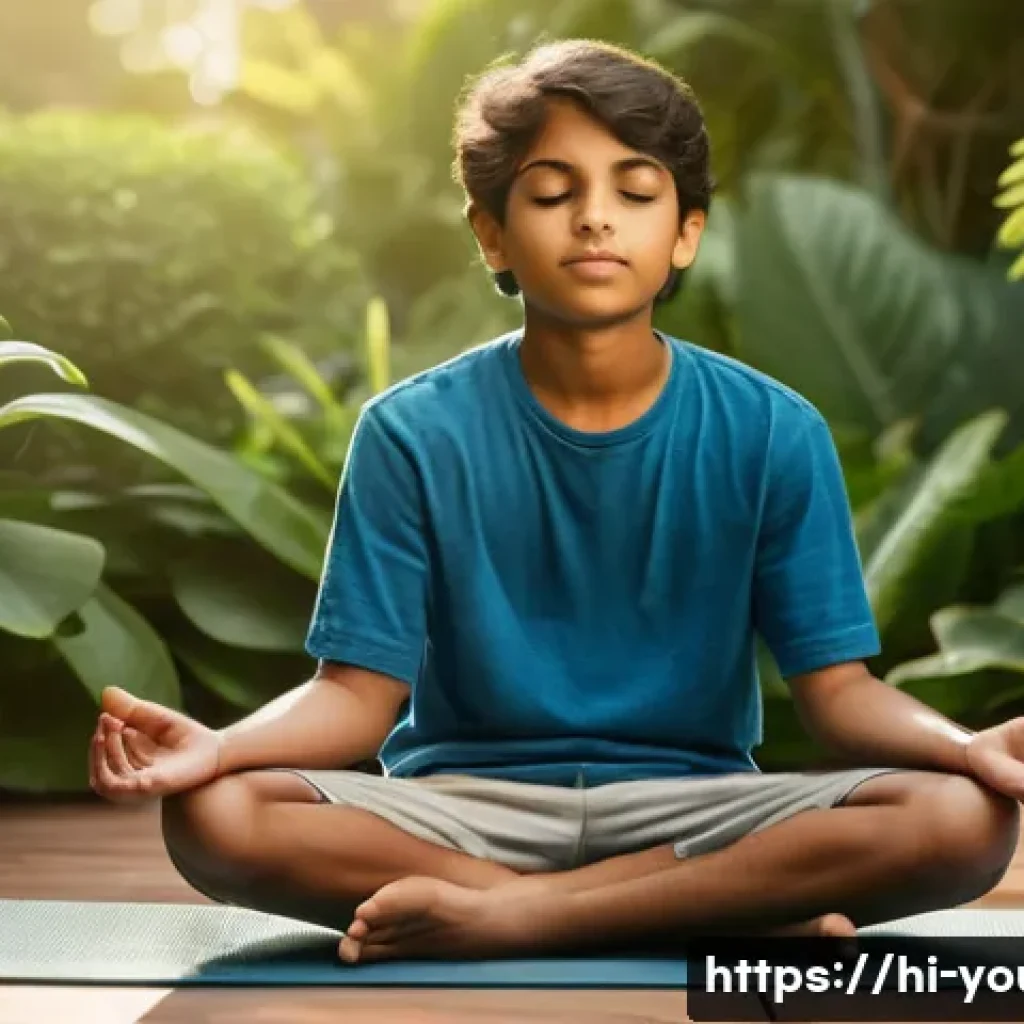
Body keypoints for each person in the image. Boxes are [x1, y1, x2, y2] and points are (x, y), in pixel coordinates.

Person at [90, 39, 1022, 965]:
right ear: (492, 232)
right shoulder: (411, 432)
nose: (594, 220)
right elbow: (354, 700)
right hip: (460, 808)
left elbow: (843, 696)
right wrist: (218, 750)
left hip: (693, 805)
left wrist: (966, 745)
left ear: (687, 231)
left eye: (635, 191)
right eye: (550, 193)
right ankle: (696, 914)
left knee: (964, 818)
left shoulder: (774, 431)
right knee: (217, 815)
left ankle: (523, 917)